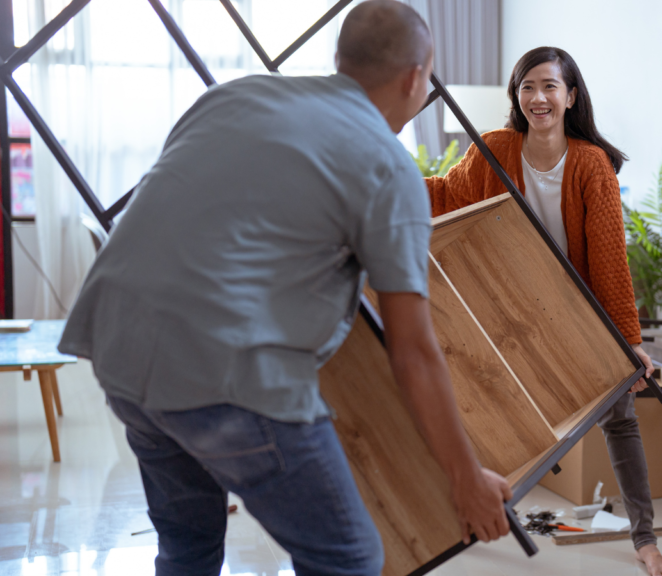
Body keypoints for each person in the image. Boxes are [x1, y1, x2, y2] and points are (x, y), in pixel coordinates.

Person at [57, 2, 511, 575]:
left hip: (118, 350)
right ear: (415, 78)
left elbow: (198, 222)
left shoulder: (236, 96)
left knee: (187, 547)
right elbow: (414, 352)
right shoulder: (387, 166)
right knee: (347, 557)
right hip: (227, 378)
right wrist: (467, 479)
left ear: (341, 60)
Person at [425, 47, 662, 576]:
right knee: (494, 416)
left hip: (577, 313)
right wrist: (374, 184)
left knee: (620, 421)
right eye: (526, 87)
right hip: (509, 312)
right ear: (517, 97)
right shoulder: (494, 148)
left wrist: (629, 340)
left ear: (570, 97)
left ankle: (646, 541)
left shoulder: (590, 163)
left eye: (549, 87)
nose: (538, 98)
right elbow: (447, 195)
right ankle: (473, 514)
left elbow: (610, 257)